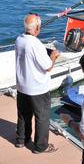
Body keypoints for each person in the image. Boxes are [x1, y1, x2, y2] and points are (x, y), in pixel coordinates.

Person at [15, 13, 59, 154]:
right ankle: (41, 146)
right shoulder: (35, 44)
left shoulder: (19, 39)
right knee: (42, 117)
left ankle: (21, 140)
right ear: (38, 28)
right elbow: (48, 67)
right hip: (37, 89)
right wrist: (53, 57)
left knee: (23, 115)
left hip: (22, 86)